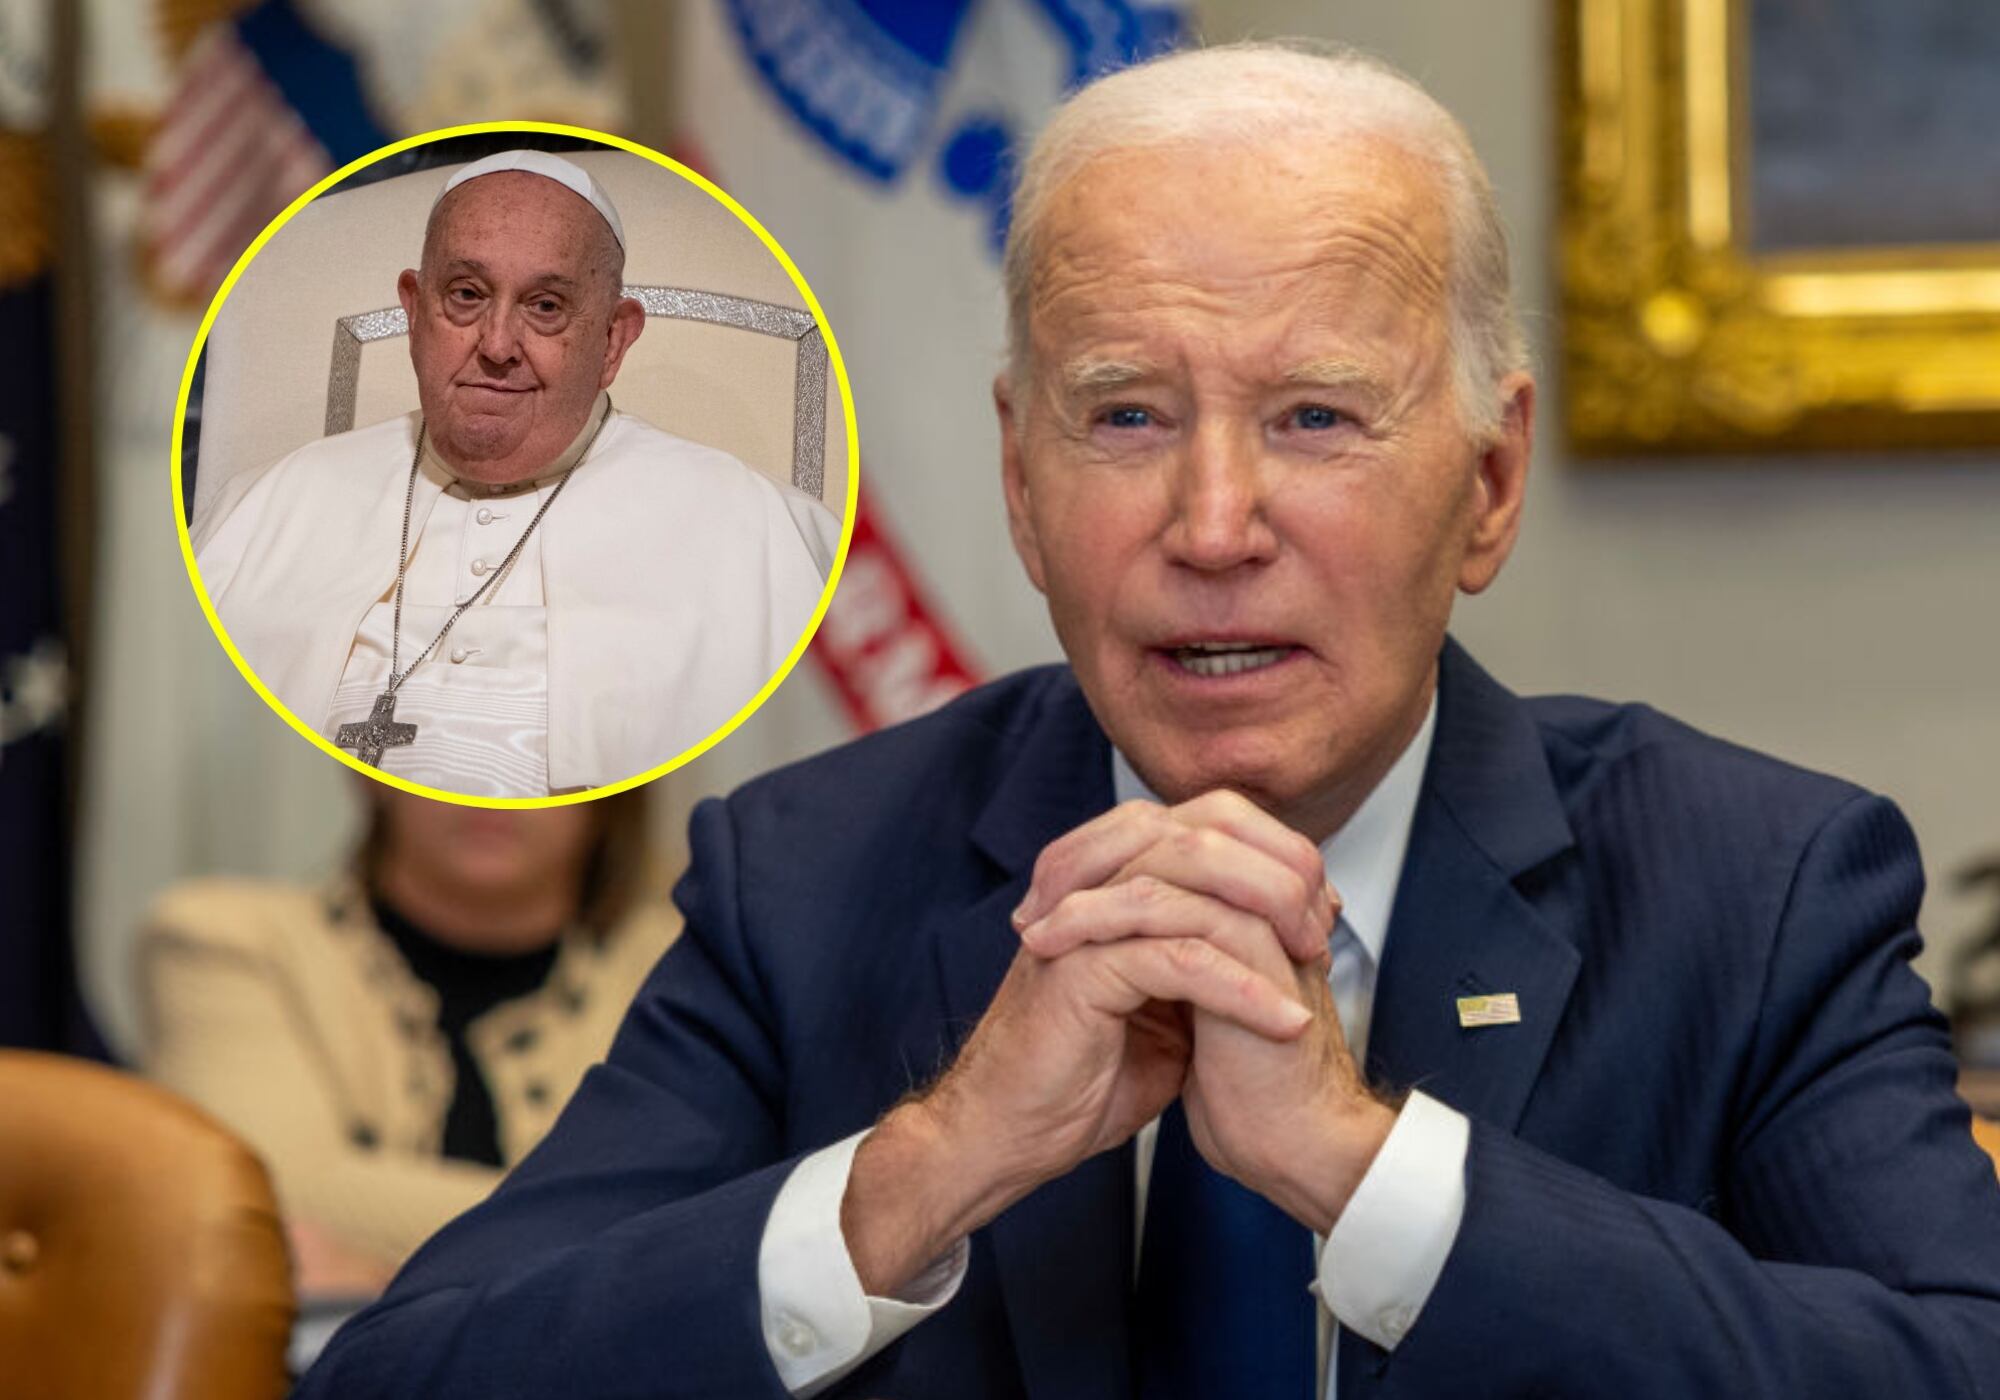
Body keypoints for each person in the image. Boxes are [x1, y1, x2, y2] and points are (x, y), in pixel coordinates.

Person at [298, 43, 2000, 1399]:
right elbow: (402, 1378)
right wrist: (930, 1166)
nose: (1211, 524)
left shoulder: (1754, 885)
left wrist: (1368, 1174)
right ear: (1022, 488)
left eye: (1318, 416)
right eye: (1124, 415)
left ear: (1487, 485)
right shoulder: (813, 879)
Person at [194, 149, 841, 798]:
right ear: (415, 313)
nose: (498, 345)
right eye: (467, 296)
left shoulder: (759, 535)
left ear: (614, 341)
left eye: (546, 306)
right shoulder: (263, 511)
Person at [136, 786, 675, 1292]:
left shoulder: (688, 961)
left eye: (542, 748)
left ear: (616, 783)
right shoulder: (228, 940)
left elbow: (730, 1219)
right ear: (371, 765)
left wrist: (381, 1273)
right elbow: (266, 1187)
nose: (491, 783)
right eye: (450, 732)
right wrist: (623, 1236)